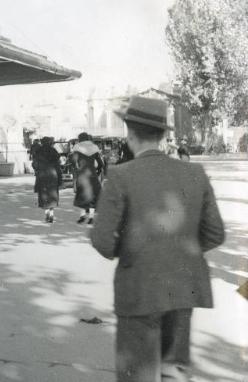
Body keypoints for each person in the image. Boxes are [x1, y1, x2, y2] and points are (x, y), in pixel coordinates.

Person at [91, 96, 225, 382]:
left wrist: (131, 249)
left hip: (138, 288)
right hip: (184, 287)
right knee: (173, 373)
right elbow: (215, 233)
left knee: (137, 375)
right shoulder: (195, 173)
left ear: (129, 134)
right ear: (164, 134)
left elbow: (103, 240)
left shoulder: (120, 175)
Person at [71, 132, 104, 224]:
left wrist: (77, 168)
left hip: (82, 175)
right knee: (93, 196)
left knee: (82, 195)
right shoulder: (94, 147)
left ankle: (82, 216)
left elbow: (73, 161)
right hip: (92, 174)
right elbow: (101, 164)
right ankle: (91, 218)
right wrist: (97, 170)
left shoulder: (77, 147)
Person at [33, 137, 62, 223]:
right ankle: (52, 215)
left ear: (42, 142)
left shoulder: (38, 151)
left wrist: (37, 168)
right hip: (53, 174)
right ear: (50, 142)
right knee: (52, 194)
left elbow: (34, 165)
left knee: (44, 194)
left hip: (42, 175)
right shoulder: (54, 151)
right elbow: (58, 165)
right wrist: (60, 179)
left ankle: (47, 215)